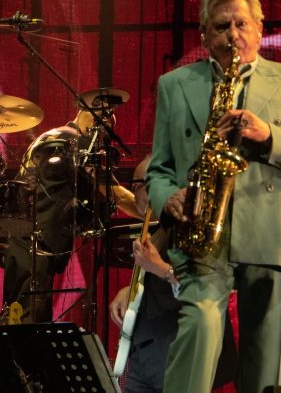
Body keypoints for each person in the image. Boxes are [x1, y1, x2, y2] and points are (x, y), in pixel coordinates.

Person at [145, 0, 281, 393]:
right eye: (221, 26)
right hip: (202, 237)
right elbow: (158, 170)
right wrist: (167, 198)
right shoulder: (174, 84)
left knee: (266, 374)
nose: (233, 34)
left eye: (241, 24)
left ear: (260, 29)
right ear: (204, 35)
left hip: (273, 234)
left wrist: (269, 136)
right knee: (199, 329)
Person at [0, 106, 139, 323]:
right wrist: (151, 213)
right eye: (104, 134)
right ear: (94, 123)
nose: (102, 142)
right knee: (31, 320)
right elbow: (116, 194)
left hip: (19, 236)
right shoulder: (77, 142)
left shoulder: (49, 137)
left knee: (16, 312)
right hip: (40, 239)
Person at [108, 156, 236, 393]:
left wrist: (159, 267)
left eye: (137, 186)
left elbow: (205, 285)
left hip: (174, 350)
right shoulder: (158, 229)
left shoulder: (192, 225)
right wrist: (130, 290)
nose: (133, 194)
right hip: (143, 354)